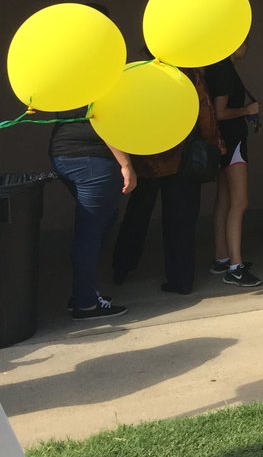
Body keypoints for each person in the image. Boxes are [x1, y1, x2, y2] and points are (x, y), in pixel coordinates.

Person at [112, 68, 229, 293]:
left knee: (137, 215)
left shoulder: (142, 73)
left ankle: (122, 267)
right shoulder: (190, 75)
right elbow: (205, 113)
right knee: (181, 222)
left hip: (147, 156)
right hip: (184, 158)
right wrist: (216, 145)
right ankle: (181, 280)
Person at [50, 111, 136, 320]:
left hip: (62, 153)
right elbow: (105, 122)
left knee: (100, 222)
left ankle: (83, 293)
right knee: (90, 232)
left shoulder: (71, 89)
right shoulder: (101, 90)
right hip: (93, 158)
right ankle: (86, 303)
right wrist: (126, 165)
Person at [206, 41, 262, 287]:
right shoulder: (224, 70)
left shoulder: (215, 68)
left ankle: (222, 258)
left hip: (220, 142)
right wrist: (247, 110)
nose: (247, 45)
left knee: (224, 200)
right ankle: (235, 267)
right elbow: (221, 112)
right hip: (233, 141)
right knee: (239, 202)